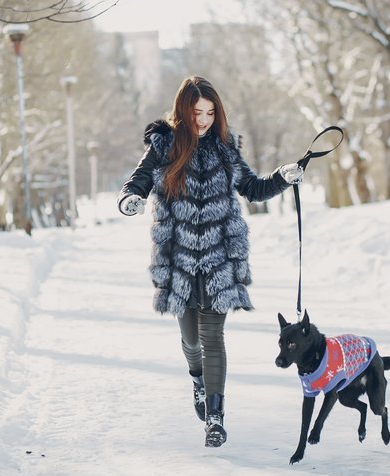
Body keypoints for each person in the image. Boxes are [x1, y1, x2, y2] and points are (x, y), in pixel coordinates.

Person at [117, 76, 303, 448]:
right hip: (179, 258)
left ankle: (216, 418)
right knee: (190, 341)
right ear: (183, 111)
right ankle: (197, 380)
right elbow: (137, 183)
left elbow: (253, 188)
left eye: (209, 112)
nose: (203, 119)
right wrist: (131, 200)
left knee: (212, 337)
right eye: (196, 111)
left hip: (219, 257)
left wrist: (284, 176)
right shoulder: (163, 145)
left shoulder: (225, 148)